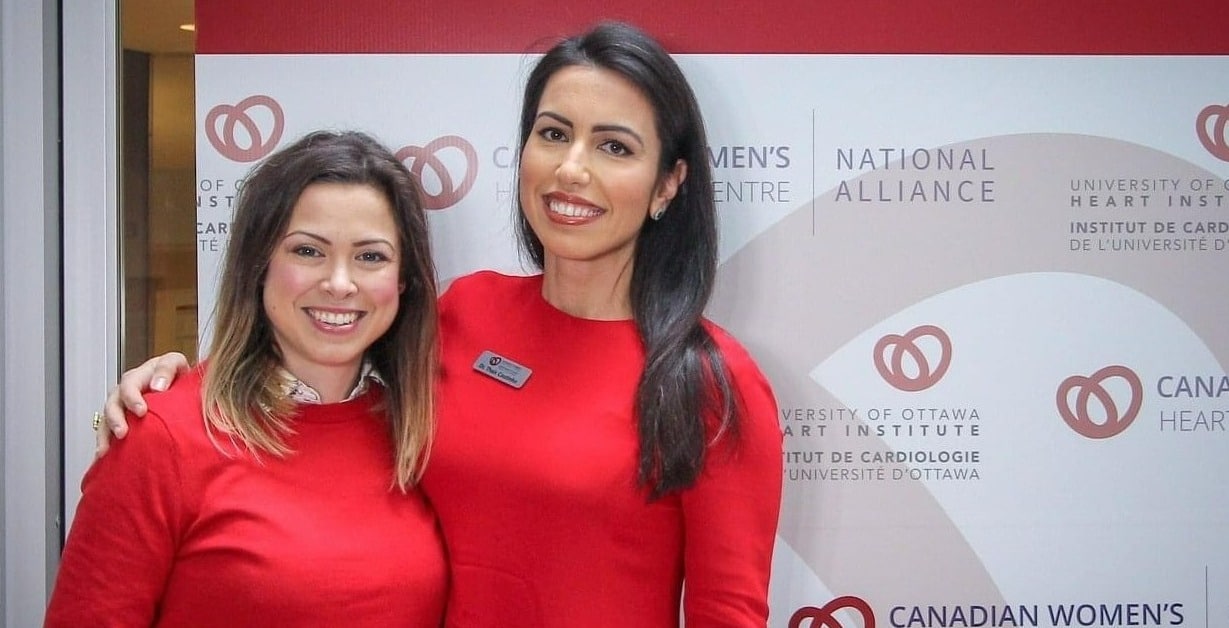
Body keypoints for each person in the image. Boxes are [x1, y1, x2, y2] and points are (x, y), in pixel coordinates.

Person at [97, 21, 783, 627]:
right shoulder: (462, 312)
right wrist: (174, 389)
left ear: (668, 184)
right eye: (552, 134)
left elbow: (729, 616)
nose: (571, 169)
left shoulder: (708, 382)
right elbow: (316, 368)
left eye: (614, 147)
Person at [50, 130, 447, 627]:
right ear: (259, 264)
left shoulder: (424, 433)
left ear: (403, 281)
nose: (340, 283)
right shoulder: (160, 438)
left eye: (371, 257)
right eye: (308, 251)